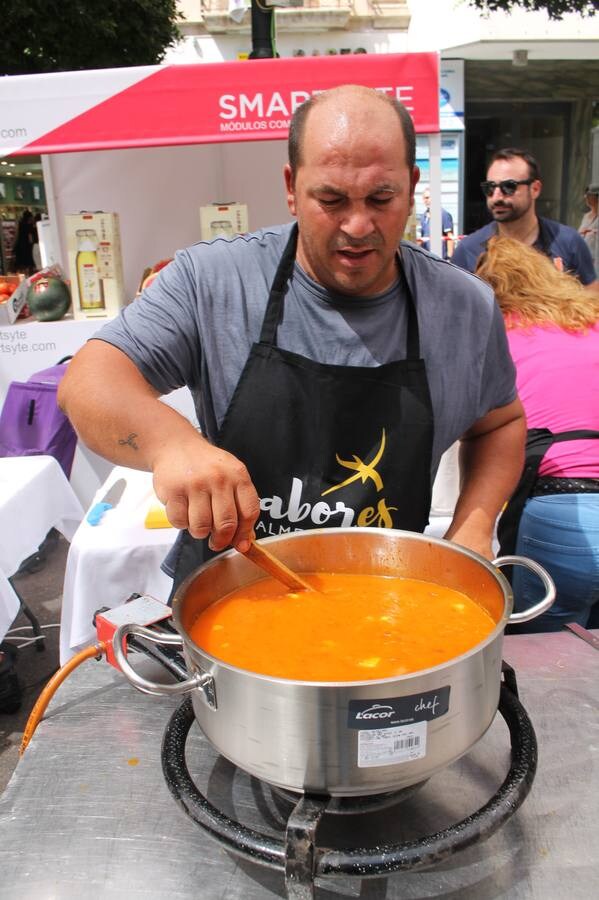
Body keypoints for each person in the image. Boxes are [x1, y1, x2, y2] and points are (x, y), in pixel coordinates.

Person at [58, 85, 526, 595]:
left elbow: (499, 423)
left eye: (381, 198)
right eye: (330, 199)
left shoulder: (463, 306)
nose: (357, 224)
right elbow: (87, 382)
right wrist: (171, 444)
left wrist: (475, 526)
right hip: (226, 601)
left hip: (390, 601)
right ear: (290, 186)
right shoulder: (213, 281)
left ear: (412, 187)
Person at [475, 236, 599, 632]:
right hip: (571, 502)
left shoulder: (499, 336)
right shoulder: (592, 323)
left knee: (542, 660)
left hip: (561, 508)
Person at [452, 148, 598, 290]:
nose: (496, 196)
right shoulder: (468, 250)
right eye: (489, 187)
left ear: (535, 189)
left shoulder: (568, 242)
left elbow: (591, 302)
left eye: (508, 186)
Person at [419, 187, 454, 259]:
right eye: (425, 198)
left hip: (440, 258)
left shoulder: (443, 214)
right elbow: (422, 238)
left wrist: (449, 258)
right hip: (426, 258)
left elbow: (450, 236)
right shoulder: (423, 216)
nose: (427, 200)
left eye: (429, 197)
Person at [578, 184, 598, 273]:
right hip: (584, 258)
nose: (586, 198)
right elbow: (579, 235)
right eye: (586, 195)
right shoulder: (586, 216)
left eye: (590, 196)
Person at [13, 209, 36, 275]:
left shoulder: (20, 224)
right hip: (27, 246)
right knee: (29, 263)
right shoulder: (30, 226)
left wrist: (14, 245)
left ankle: (22, 276)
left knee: (22, 264)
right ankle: (29, 276)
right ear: (29, 217)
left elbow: (16, 235)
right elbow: (30, 237)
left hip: (20, 246)